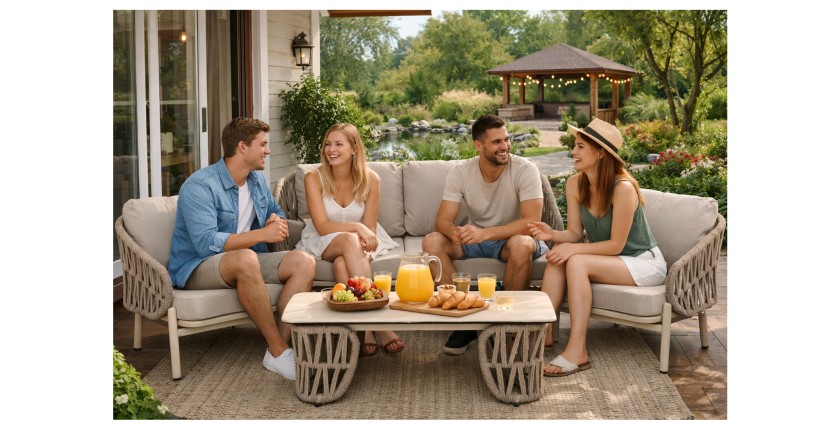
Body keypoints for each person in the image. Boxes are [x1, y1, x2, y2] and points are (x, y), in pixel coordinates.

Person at [168, 117, 316, 380]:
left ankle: (279, 350)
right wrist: (262, 233)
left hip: (247, 260)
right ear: (242, 147)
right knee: (246, 257)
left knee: (304, 262)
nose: (268, 151)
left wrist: (276, 220)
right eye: (263, 144)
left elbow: (276, 212)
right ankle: (280, 350)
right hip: (198, 267)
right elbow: (205, 244)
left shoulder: (256, 181)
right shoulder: (200, 186)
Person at [528, 118, 667, 377]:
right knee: (558, 254)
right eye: (575, 146)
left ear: (601, 153)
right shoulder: (575, 184)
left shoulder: (623, 189)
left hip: (642, 261)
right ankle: (544, 332)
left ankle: (577, 350)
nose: (573, 152)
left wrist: (576, 250)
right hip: (612, 260)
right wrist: (554, 234)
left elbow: (617, 245)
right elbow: (574, 233)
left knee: (576, 259)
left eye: (580, 147)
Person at [422, 114, 547, 355]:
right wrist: (454, 232)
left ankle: (504, 324)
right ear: (478, 145)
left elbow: (532, 222)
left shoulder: (525, 169)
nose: (505, 147)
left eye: (507, 140)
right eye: (497, 142)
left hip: (511, 238)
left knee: (522, 244)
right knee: (432, 241)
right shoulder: (461, 171)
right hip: (477, 239)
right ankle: (466, 317)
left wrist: (485, 234)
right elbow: (442, 220)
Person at [295, 123, 404, 356]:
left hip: (359, 241)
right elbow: (323, 227)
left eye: (338, 144)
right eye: (327, 144)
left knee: (342, 263)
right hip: (324, 239)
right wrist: (356, 227)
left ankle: (362, 329)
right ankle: (379, 321)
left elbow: (371, 227)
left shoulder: (371, 179)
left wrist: (363, 235)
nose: (330, 150)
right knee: (348, 241)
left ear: (354, 148)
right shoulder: (313, 178)